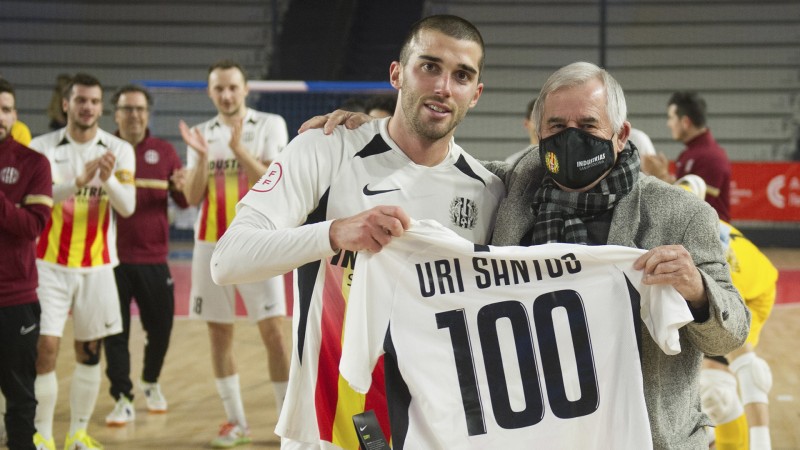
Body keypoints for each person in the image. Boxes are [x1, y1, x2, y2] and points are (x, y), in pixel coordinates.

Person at [306, 61, 750, 449]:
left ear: (620, 135)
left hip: (640, 435)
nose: (571, 139)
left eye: (589, 126)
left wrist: (695, 292)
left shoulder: (680, 214)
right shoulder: (511, 184)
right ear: (537, 132)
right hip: (527, 431)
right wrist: (377, 139)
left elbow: (730, 334)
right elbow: (435, 174)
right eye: (557, 127)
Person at [210, 14, 505, 450]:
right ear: (396, 73)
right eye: (429, 67)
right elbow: (227, 259)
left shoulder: (489, 191)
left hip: (430, 433)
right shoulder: (325, 148)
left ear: (475, 94)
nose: (444, 87)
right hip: (326, 432)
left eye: (461, 76)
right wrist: (332, 233)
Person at [178, 59, 291, 448]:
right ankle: (237, 422)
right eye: (218, 89)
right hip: (209, 245)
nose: (226, 95)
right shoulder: (199, 134)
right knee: (218, 333)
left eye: (232, 87)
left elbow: (274, 184)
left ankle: (287, 425)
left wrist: (238, 148)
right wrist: (203, 159)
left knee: (275, 333)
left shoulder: (271, 124)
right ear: (210, 93)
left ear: (245, 89)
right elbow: (192, 197)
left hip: (260, 242)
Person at [28, 73, 136, 450]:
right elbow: (40, 200)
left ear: (100, 107)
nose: (87, 107)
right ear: (66, 104)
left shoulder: (119, 149)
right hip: (48, 266)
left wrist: (106, 180)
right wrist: (78, 180)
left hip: (98, 267)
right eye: (80, 100)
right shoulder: (41, 148)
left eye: (93, 101)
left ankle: (77, 433)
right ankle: (41, 433)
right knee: (46, 349)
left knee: (90, 352)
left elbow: (128, 207)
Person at [102, 85, 189, 427]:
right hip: (110, 260)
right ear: (116, 114)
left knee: (162, 328)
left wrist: (182, 185)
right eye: (127, 109)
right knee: (115, 333)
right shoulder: (104, 149)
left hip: (154, 259)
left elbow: (183, 203)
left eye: (140, 109)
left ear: (147, 114)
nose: (134, 115)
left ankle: (150, 381)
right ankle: (122, 396)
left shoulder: (165, 151)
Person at [677, 175, 776, 450]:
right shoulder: (682, 215)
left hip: (750, 291)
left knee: (724, 385)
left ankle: (756, 443)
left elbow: (750, 372)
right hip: (730, 273)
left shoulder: (716, 269)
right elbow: (692, 184)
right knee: (709, 389)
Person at [0, 79, 53, 450]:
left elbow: (33, 225)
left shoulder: (34, 163)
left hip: (13, 299)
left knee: (20, 399)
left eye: (4, 109)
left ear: (15, 115)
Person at [641, 91, 731, 221]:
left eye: (671, 118)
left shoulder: (710, 157)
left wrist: (661, 176)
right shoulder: (692, 153)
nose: (668, 124)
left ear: (686, 122)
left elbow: (693, 204)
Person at [504, 98, 537, 164]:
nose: (541, 125)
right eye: (536, 119)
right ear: (526, 124)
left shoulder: (560, 160)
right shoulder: (513, 162)